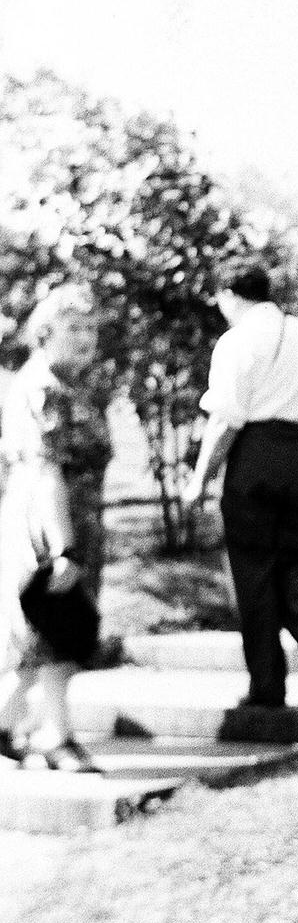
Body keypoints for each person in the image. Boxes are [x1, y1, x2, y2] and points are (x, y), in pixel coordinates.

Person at [181, 261, 298, 707]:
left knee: (252, 572)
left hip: (255, 456)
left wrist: (200, 479)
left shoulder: (236, 342)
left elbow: (226, 419)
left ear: (231, 295)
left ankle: (267, 686)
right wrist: (297, 405)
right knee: (292, 561)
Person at [0, 284, 112, 773]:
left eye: (90, 328)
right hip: (48, 527)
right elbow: (46, 471)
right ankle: (57, 737)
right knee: (52, 637)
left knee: (52, 637)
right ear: (45, 333)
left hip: (77, 522)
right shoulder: (42, 387)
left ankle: (8, 727)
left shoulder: (72, 386)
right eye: (74, 328)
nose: (86, 337)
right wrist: (65, 548)